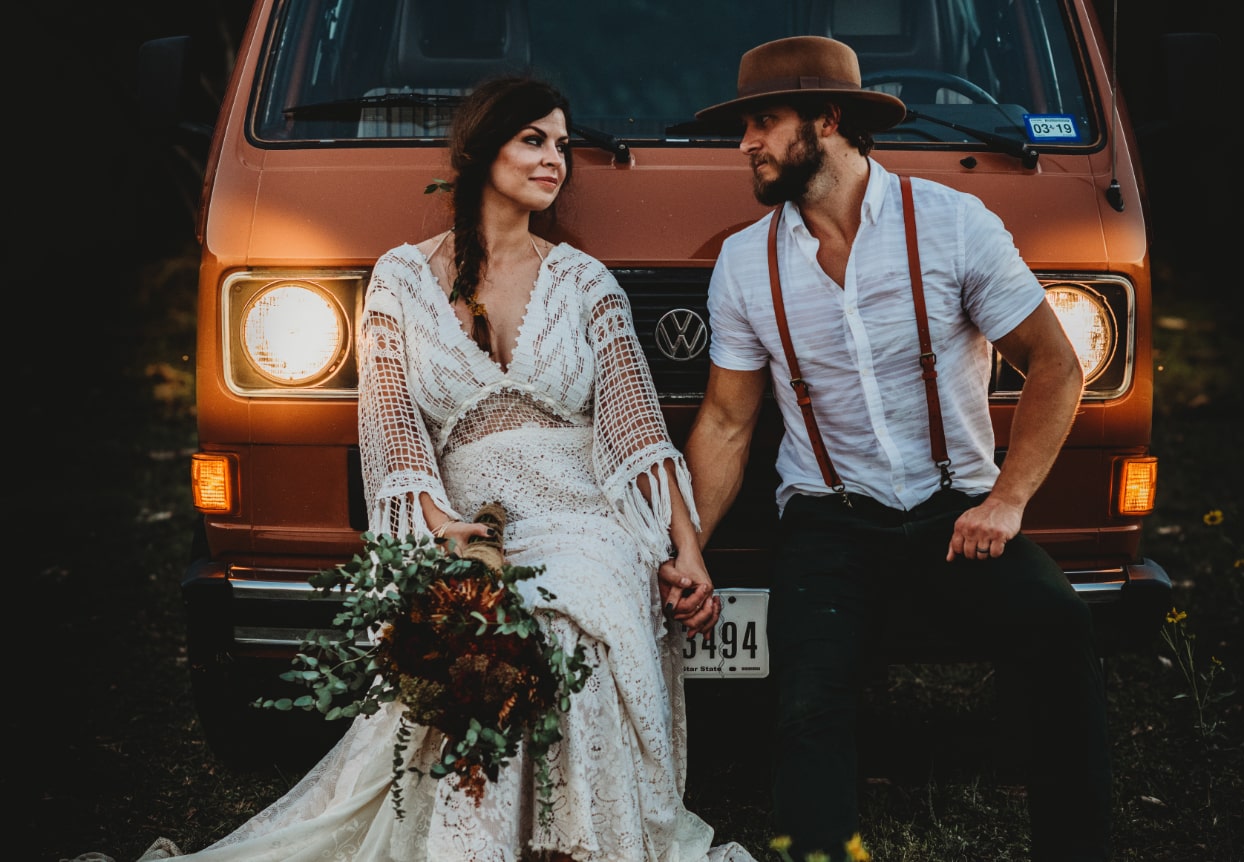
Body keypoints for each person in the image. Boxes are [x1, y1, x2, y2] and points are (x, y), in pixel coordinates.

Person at [73, 75, 752, 862]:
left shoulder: (585, 283)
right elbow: (394, 434)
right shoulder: (399, 281)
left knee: (573, 604)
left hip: (583, 510)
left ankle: (576, 843)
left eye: (563, 146)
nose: (555, 159)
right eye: (535, 139)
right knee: (484, 620)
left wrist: (688, 551)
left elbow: (637, 436)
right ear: (479, 149)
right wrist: (442, 528)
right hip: (471, 511)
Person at [671, 37, 1112, 862]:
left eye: (762, 122)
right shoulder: (743, 264)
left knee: (1057, 625)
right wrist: (687, 544)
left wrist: (1007, 502)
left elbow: (1056, 363)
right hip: (829, 524)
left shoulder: (952, 223)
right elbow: (727, 424)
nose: (745, 145)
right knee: (807, 705)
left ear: (828, 121)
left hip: (956, 511)